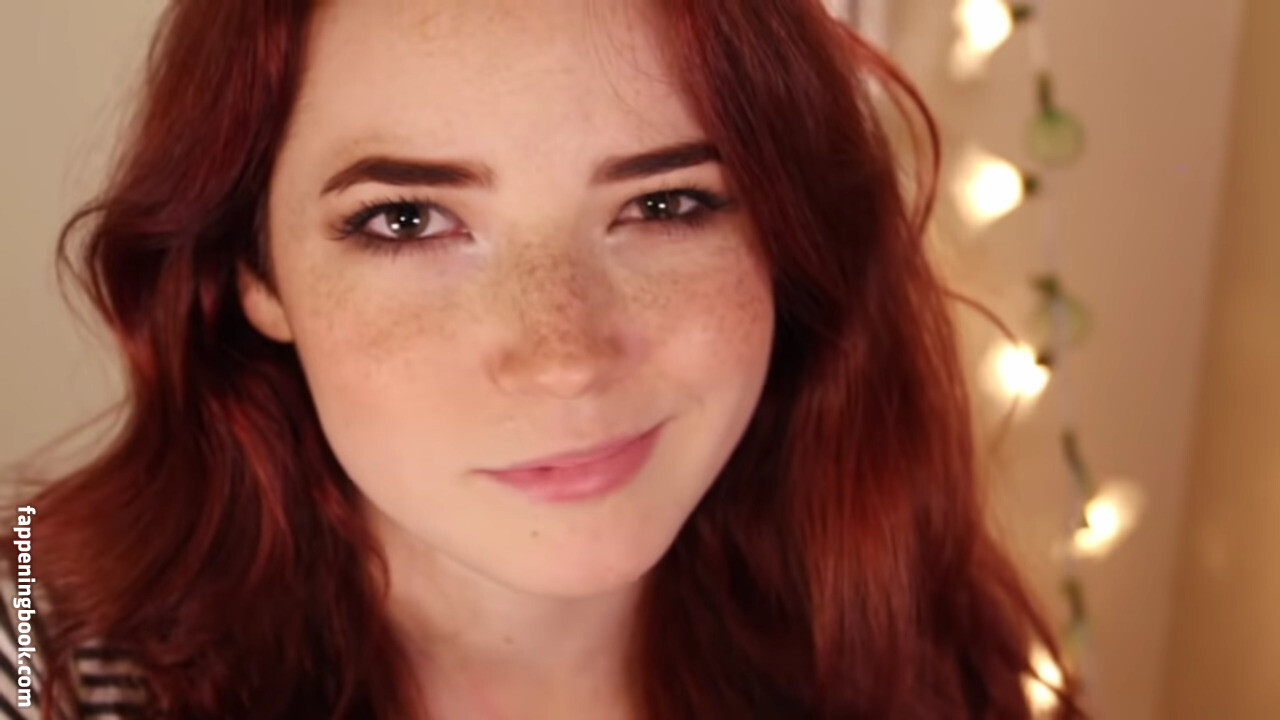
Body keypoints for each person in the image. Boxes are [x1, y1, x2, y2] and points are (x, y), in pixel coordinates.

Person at [1, 0, 1084, 718]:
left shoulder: (924, 662)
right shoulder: (31, 656)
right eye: (406, 220)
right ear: (255, 272)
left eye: (666, 204)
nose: (565, 357)